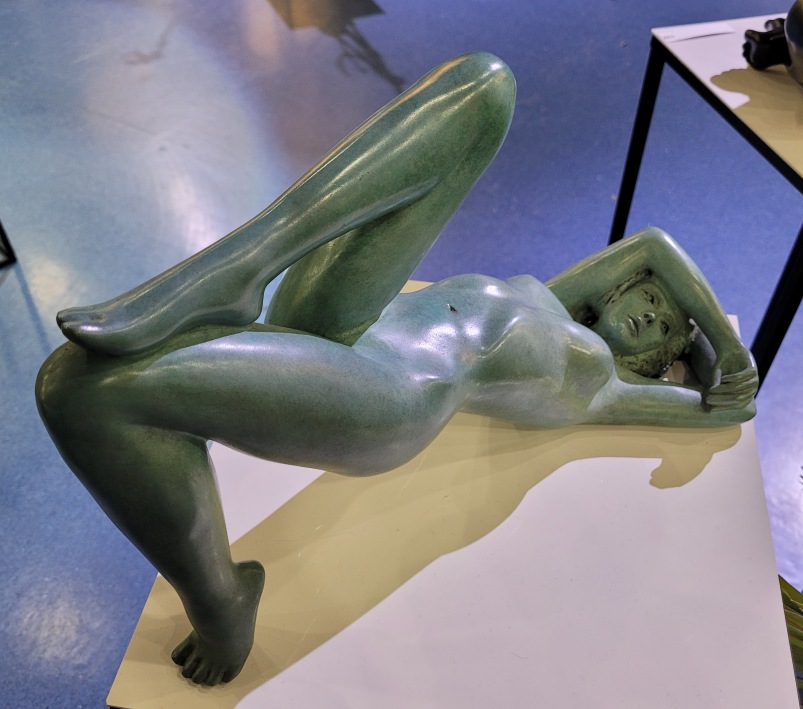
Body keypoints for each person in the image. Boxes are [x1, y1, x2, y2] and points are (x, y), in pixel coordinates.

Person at [35, 52, 757, 687]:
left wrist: (713, 370)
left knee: (78, 389)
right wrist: (722, 345)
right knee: (484, 85)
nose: (652, 318)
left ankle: (220, 599)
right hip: (351, 321)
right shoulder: (551, 296)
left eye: (664, 332)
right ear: (618, 289)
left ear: (650, 362)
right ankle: (240, 265)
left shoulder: (599, 385)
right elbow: (652, 244)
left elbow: (723, 407)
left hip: (392, 394)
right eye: (652, 301)